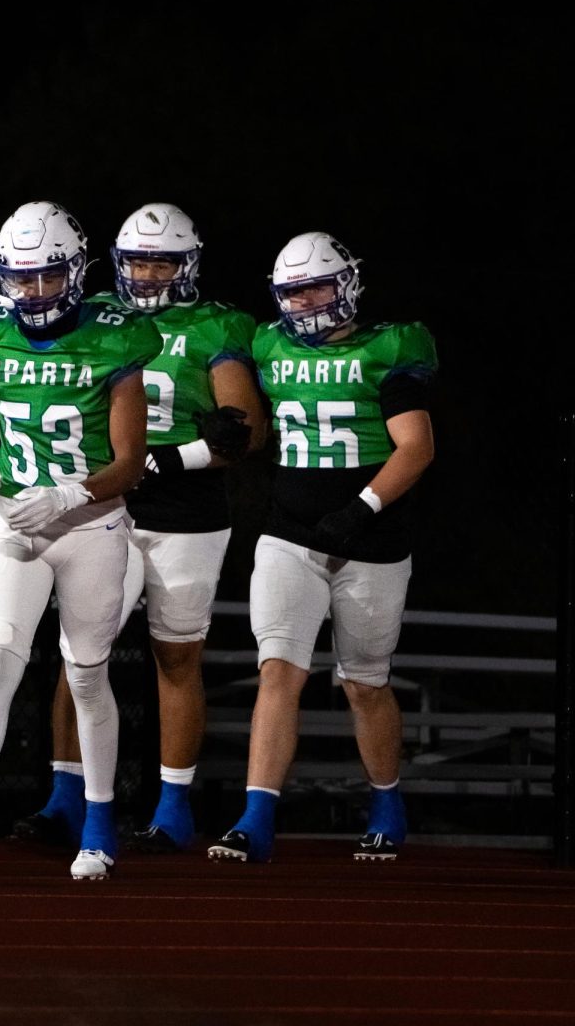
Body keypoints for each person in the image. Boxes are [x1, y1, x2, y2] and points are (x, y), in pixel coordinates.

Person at [13, 203, 265, 855]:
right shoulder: (94, 316)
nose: (150, 275)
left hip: (186, 509)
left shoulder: (214, 326)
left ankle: (173, 806)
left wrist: (181, 453)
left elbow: (245, 431)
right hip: (105, 503)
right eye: (139, 261)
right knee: (79, 654)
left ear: (189, 265)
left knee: (176, 657)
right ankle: (66, 797)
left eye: (164, 262)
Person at [0, 200, 163, 880]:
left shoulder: (115, 336)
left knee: (86, 675)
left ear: (76, 273)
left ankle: (97, 823)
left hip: (91, 524)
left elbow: (129, 459)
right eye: (19, 278)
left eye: (46, 277)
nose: (31, 293)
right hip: (14, 524)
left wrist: (70, 492)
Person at [208, 231, 437, 865]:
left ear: (348, 285)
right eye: (293, 291)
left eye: (317, 286)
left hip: (373, 538)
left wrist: (359, 508)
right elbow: (235, 405)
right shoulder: (267, 343)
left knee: (365, 682)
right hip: (290, 533)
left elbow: (416, 448)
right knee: (277, 669)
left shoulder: (388, 347)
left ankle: (387, 802)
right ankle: (257, 816)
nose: (305, 301)